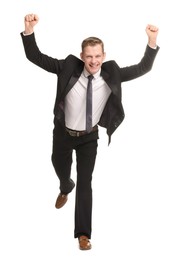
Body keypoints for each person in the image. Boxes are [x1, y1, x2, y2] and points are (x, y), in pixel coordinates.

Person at [21, 13, 159, 250]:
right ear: (82, 56)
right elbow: (35, 56)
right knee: (60, 167)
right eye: (89, 56)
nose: (93, 61)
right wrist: (29, 30)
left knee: (86, 182)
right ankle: (65, 186)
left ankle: (83, 234)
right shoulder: (67, 67)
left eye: (98, 56)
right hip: (63, 134)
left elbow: (143, 67)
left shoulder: (112, 73)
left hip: (89, 138)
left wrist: (152, 41)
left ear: (103, 56)